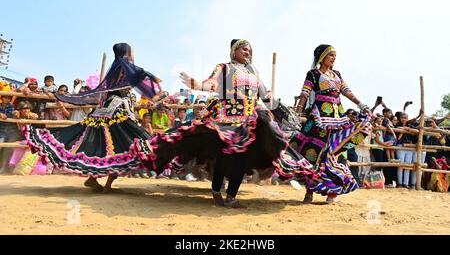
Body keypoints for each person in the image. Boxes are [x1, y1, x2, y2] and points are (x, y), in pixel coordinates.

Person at [138, 39, 288, 208]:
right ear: (234, 51)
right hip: (226, 121)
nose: (248, 52)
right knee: (224, 159)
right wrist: (197, 85)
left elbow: (265, 98)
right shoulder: (225, 68)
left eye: (249, 50)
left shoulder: (254, 74)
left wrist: (271, 98)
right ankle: (216, 192)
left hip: (248, 122)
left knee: (241, 160)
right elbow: (212, 83)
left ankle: (231, 197)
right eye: (244, 49)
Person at [23, 43, 162, 192]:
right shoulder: (126, 66)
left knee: (106, 146)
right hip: (117, 112)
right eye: (132, 52)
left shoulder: (116, 69)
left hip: (108, 110)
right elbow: (140, 75)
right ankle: (105, 185)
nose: (134, 55)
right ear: (126, 53)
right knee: (125, 145)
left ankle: (94, 180)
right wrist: (155, 85)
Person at [274, 44, 371, 204]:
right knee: (312, 153)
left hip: (338, 117)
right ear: (322, 57)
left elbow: (347, 91)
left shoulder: (337, 74)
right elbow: (304, 94)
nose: (334, 58)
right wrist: (297, 113)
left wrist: (361, 105)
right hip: (319, 118)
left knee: (337, 153)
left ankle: (332, 193)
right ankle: (309, 192)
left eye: (335, 55)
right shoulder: (313, 74)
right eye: (331, 55)